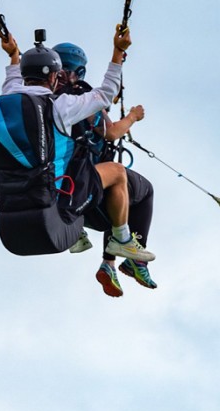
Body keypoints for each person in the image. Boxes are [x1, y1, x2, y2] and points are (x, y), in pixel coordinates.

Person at [0, 24, 154, 267]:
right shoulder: (61, 105)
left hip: (13, 202)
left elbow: (13, 79)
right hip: (57, 200)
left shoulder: (9, 98)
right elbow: (105, 95)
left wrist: (14, 55)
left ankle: (87, 240)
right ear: (53, 76)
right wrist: (118, 53)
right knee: (117, 172)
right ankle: (121, 240)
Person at [53, 41, 157, 298]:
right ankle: (134, 258)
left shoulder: (44, 97)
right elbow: (111, 133)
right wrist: (132, 117)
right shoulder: (78, 97)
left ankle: (109, 265)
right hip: (86, 183)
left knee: (119, 198)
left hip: (65, 195)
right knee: (141, 191)